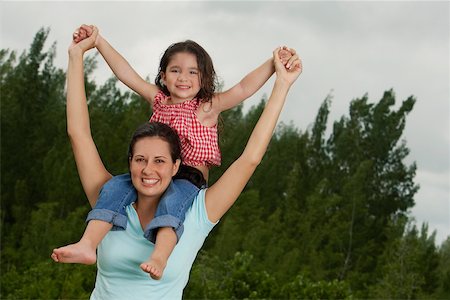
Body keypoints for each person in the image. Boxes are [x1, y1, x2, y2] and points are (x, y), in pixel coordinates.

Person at [52, 25, 301, 299]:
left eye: (159, 160)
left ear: (173, 163)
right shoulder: (112, 200)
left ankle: (161, 255)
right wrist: (86, 50)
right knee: (113, 189)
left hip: (190, 179)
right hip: (131, 196)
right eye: (140, 160)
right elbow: (80, 131)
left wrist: (279, 77)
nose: (148, 169)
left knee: (172, 206)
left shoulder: (193, 211)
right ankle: (88, 243)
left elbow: (250, 154)